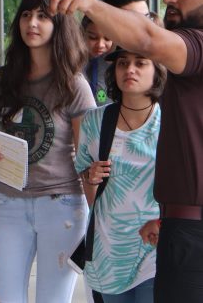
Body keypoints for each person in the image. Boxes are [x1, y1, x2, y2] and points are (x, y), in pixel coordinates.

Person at [34, 0, 203, 301]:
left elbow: (147, 39)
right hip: (177, 227)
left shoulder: (196, 45)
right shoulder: (101, 119)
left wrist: (87, 4)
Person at [0, 0, 95, 303]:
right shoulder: (0, 81)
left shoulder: (73, 86)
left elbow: (86, 158)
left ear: (59, 25)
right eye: (27, 15)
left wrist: (99, 216)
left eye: (43, 16)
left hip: (62, 205)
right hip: (8, 203)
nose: (32, 22)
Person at [75, 47, 165, 302]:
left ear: (156, 71)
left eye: (140, 63)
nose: (130, 70)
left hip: (155, 249)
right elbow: (87, 182)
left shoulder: (170, 121)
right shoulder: (94, 121)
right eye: (123, 63)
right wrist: (91, 177)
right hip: (108, 252)